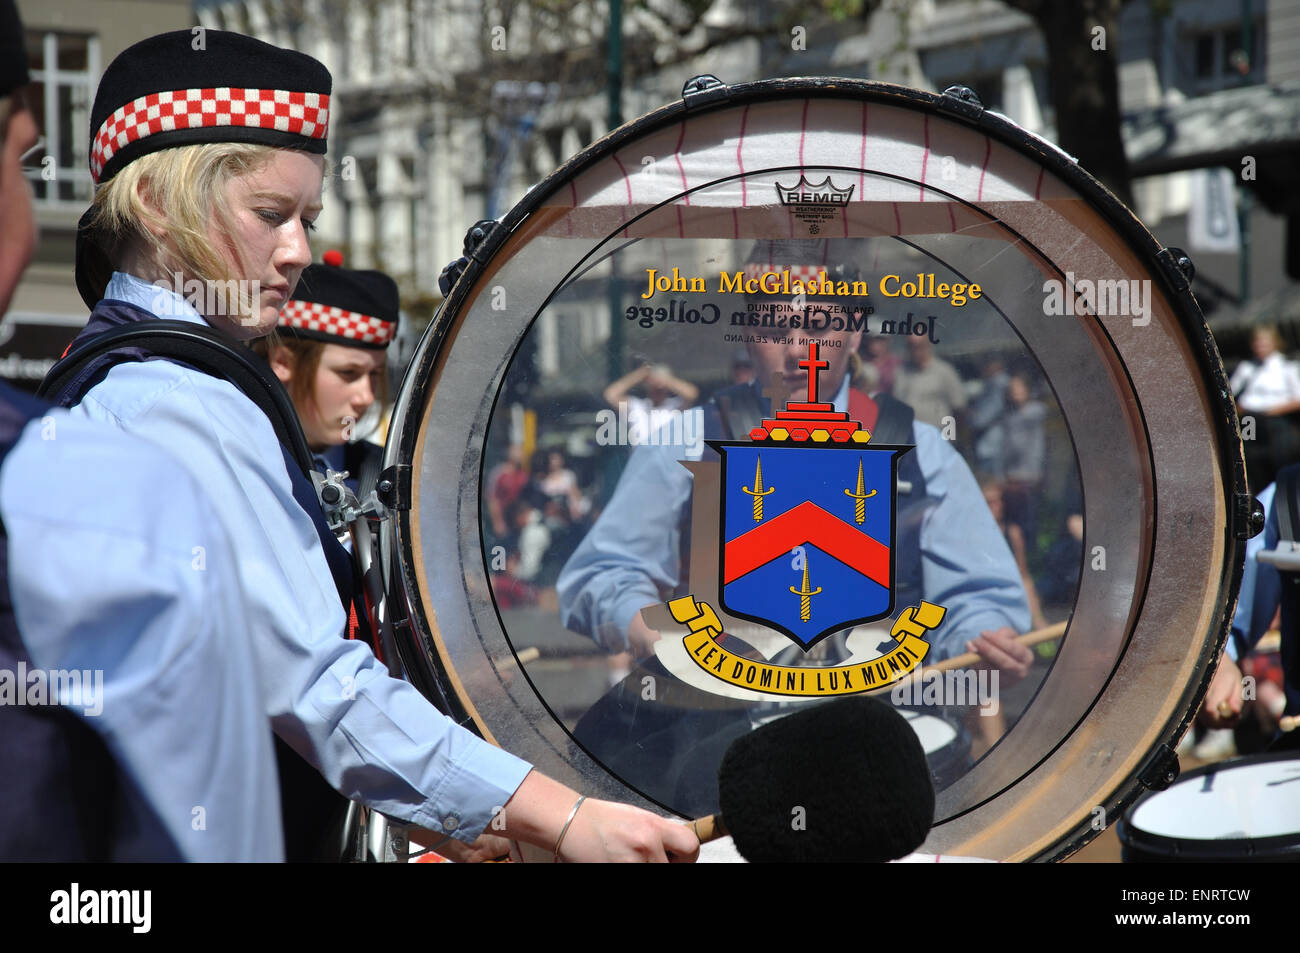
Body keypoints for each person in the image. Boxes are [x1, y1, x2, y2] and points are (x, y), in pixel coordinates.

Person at [47, 29, 696, 863]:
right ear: (157, 208)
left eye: (307, 219)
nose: (298, 253)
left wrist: (449, 813)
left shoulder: (127, 374)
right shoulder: (177, 401)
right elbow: (311, 683)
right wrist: (559, 814)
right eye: (270, 215)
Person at [556, 239, 1033, 813]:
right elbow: (601, 574)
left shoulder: (923, 453)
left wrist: (985, 641)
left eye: (817, 327)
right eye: (775, 329)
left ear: (854, 331)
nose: (797, 351)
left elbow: (977, 600)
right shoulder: (683, 444)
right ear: (746, 334)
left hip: (892, 742)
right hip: (723, 743)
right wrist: (656, 635)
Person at [0, 3, 281, 861]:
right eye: (19, 158)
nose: (300, 249)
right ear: (161, 208)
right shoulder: (114, 455)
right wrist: (541, 809)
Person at [251, 252, 393, 500]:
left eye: (375, 375)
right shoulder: (241, 463)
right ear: (283, 362)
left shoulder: (385, 477)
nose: (367, 397)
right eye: (348, 373)